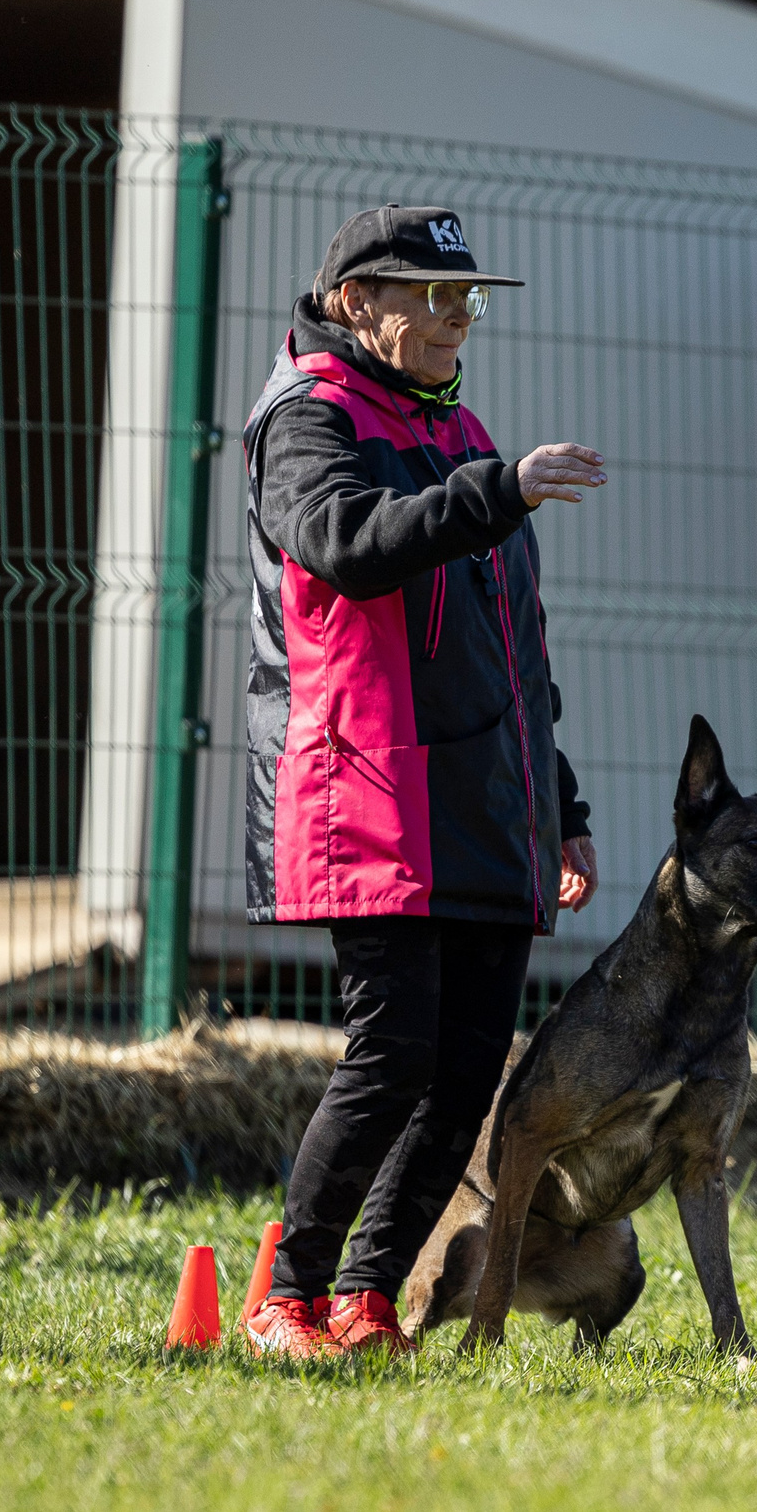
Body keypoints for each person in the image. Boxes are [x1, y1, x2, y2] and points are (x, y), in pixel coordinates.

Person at [239, 204, 608, 1357]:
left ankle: (365, 1299)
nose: (457, 320)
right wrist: (498, 489)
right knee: (393, 1052)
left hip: (490, 807)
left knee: (461, 1079)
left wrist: (562, 804)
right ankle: (286, 1300)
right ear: (358, 303)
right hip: (373, 791)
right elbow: (345, 542)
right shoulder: (309, 417)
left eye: (467, 301)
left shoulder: (460, 432)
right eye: (431, 298)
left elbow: (510, 644)